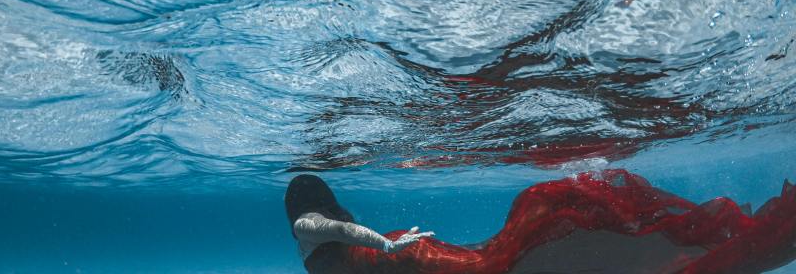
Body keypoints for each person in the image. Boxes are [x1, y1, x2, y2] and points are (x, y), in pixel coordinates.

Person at [286, 170, 796, 273]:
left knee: (495, 263)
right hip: (405, 257)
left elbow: (343, 233)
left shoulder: (304, 229)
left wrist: (387, 247)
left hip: (403, 255)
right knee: (497, 258)